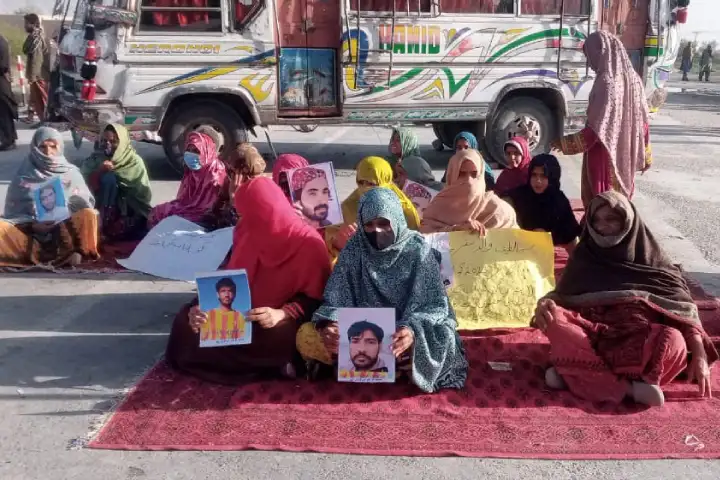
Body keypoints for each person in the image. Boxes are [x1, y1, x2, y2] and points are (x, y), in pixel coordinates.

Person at [532, 191, 718, 407]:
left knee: (673, 340)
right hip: (592, 337)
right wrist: (544, 304)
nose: (603, 227)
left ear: (628, 221)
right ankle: (627, 388)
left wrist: (699, 352)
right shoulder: (585, 256)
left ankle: (575, 375)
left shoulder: (653, 260)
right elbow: (561, 297)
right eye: (597, 221)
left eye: (611, 219)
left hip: (639, 340)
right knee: (553, 318)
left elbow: (682, 310)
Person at [296, 187, 468, 392]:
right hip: (359, 337)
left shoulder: (417, 250)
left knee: (443, 339)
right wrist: (330, 326)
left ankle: (383, 365)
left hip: (402, 334)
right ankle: (390, 368)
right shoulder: (354, 250)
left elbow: (434, 305)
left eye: (383, 223)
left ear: (396, 219)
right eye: (369, 225)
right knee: (305, 335)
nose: (376, 231)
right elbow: (336, 296)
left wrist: (411, 332)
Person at [165, 177, 332, 383]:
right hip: (236, 314)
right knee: (186, 322)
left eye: (251, 215)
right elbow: (229, 278)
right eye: (243, 215)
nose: (245, 221)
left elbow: (318, 299)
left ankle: (270, 365)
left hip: (274, 321)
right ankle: (265, 367)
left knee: (285, 337)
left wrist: (282, 313)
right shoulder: (248, 231)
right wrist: (201, 308)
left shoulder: (309, 244)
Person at [550, 31, 652, 209]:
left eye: (590, 57)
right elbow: (643, 123)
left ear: (602, 53)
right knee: (621, 204)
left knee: (602, 204)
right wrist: (646, 153)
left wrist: (564, 143)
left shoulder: (606, 82)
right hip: (626, 152)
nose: (589, 64)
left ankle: (598, 234)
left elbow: (596, 131)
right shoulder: (635, 79)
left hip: (604, 156)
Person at [0, 127, 98, 267]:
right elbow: (14, 215)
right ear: (34, 148)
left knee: (89, 214)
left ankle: (76, 252)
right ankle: (35, 257)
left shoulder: (71, 173)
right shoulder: (24, 175)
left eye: (53, 146)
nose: (48, 152)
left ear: (60, 147)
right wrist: (34, 225)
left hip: (66, 233)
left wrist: (64, 215)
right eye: (42, 147)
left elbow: (83, 205)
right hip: (30, 237)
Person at [327, 156, 420, 260]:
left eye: (371, 184)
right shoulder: (349, 206)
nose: (365, 187)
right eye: (361, 182)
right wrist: (339, 242)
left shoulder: (404, 209)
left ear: (385, 181)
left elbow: (415, 245)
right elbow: (330, 243)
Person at [80, 124, 152, 240]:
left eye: (113, 141)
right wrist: (99, 172)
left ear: (122, 143)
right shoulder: (96, 159)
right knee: (108, 178)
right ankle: (102, 225)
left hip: (129, 213)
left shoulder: (134, 162)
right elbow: (81, 187)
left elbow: (142, 196)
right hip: (101, 210)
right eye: (104, 141)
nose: (107, 145)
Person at [420, 149, 517, 234]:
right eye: (461, 174)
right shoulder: (437, 208)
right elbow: (425, 237)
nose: (469, 181)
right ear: (451, 175)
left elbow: (516, 244)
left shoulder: (498, 210)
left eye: (474, 174)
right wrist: (456, 230)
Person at [148, 132, 226, 228]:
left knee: (176, 222)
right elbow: (184, 200)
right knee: (158, 212)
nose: (190, 154)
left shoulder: (216, 173)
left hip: (205, 213)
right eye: (188, 150)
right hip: (188, 207)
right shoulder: (192, 171)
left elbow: (213, 207)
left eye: (196, 151)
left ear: (206, 151)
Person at [504, 154, 581, 251]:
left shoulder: (558, 200)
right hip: (518, 248)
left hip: (544, 253)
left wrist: (547, 235)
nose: (538, 181)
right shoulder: (520, 195)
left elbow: (570, 234)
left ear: (552, 177)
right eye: (534, 175)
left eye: (543, 176)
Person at [201, 142, 265, 230]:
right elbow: (214, 213)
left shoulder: (260, 191)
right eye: (229, 171)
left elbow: (240, 228)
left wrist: (234, 199)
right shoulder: (229, 182)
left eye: (233, 171)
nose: (230, 175)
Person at [22, 14, 49, 123]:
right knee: (35, 98)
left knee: (40, 99)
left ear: (32, 24)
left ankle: (45, 121)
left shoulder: (36, 39)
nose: (24, 26)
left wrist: (33, 76)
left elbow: (36, 59)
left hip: (38, 75)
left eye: (26, 23)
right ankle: (34, 117)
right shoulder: (33, 36)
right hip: (36, 74)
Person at [202, 277, 246, 343]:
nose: (227, 295)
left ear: (235, 294)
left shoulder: (239, 316)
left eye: (230, 291)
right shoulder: (208, 315)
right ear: (217, 294)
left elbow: (240, 340)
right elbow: (203, 339)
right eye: (223, 291)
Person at [0, 33, 17, 151]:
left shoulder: (1, 43)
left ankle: (8, 140)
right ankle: (10, 138)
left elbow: (3, 65)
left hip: (1, 84)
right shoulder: (3, 41)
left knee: (3, 114)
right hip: (3, 83)